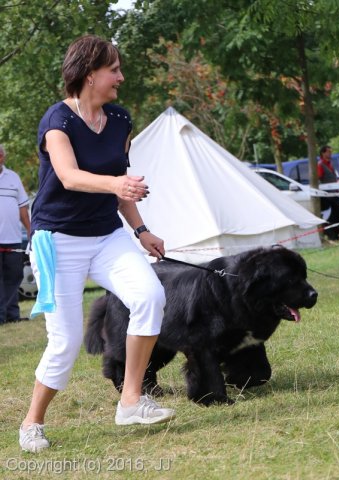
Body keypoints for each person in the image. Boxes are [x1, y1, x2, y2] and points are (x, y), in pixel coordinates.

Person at [19, 35, 175, 453]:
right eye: (115, 70)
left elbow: (122, 188)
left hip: (107, 236)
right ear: (90, 75)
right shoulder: (58, 121)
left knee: (150, 296)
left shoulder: (121, 120)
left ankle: (130, 400)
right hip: (57, 241)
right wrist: (115, 183)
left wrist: (143, 232)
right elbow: (69, 176)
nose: (121, 77)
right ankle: (32, 422)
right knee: (66, 342)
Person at [0, 144, 31, 324]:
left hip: (12, 239)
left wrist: (30, 230)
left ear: (2, 157)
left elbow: (23, 208)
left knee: (14, 277)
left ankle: (12, 316)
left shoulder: (13, 177)